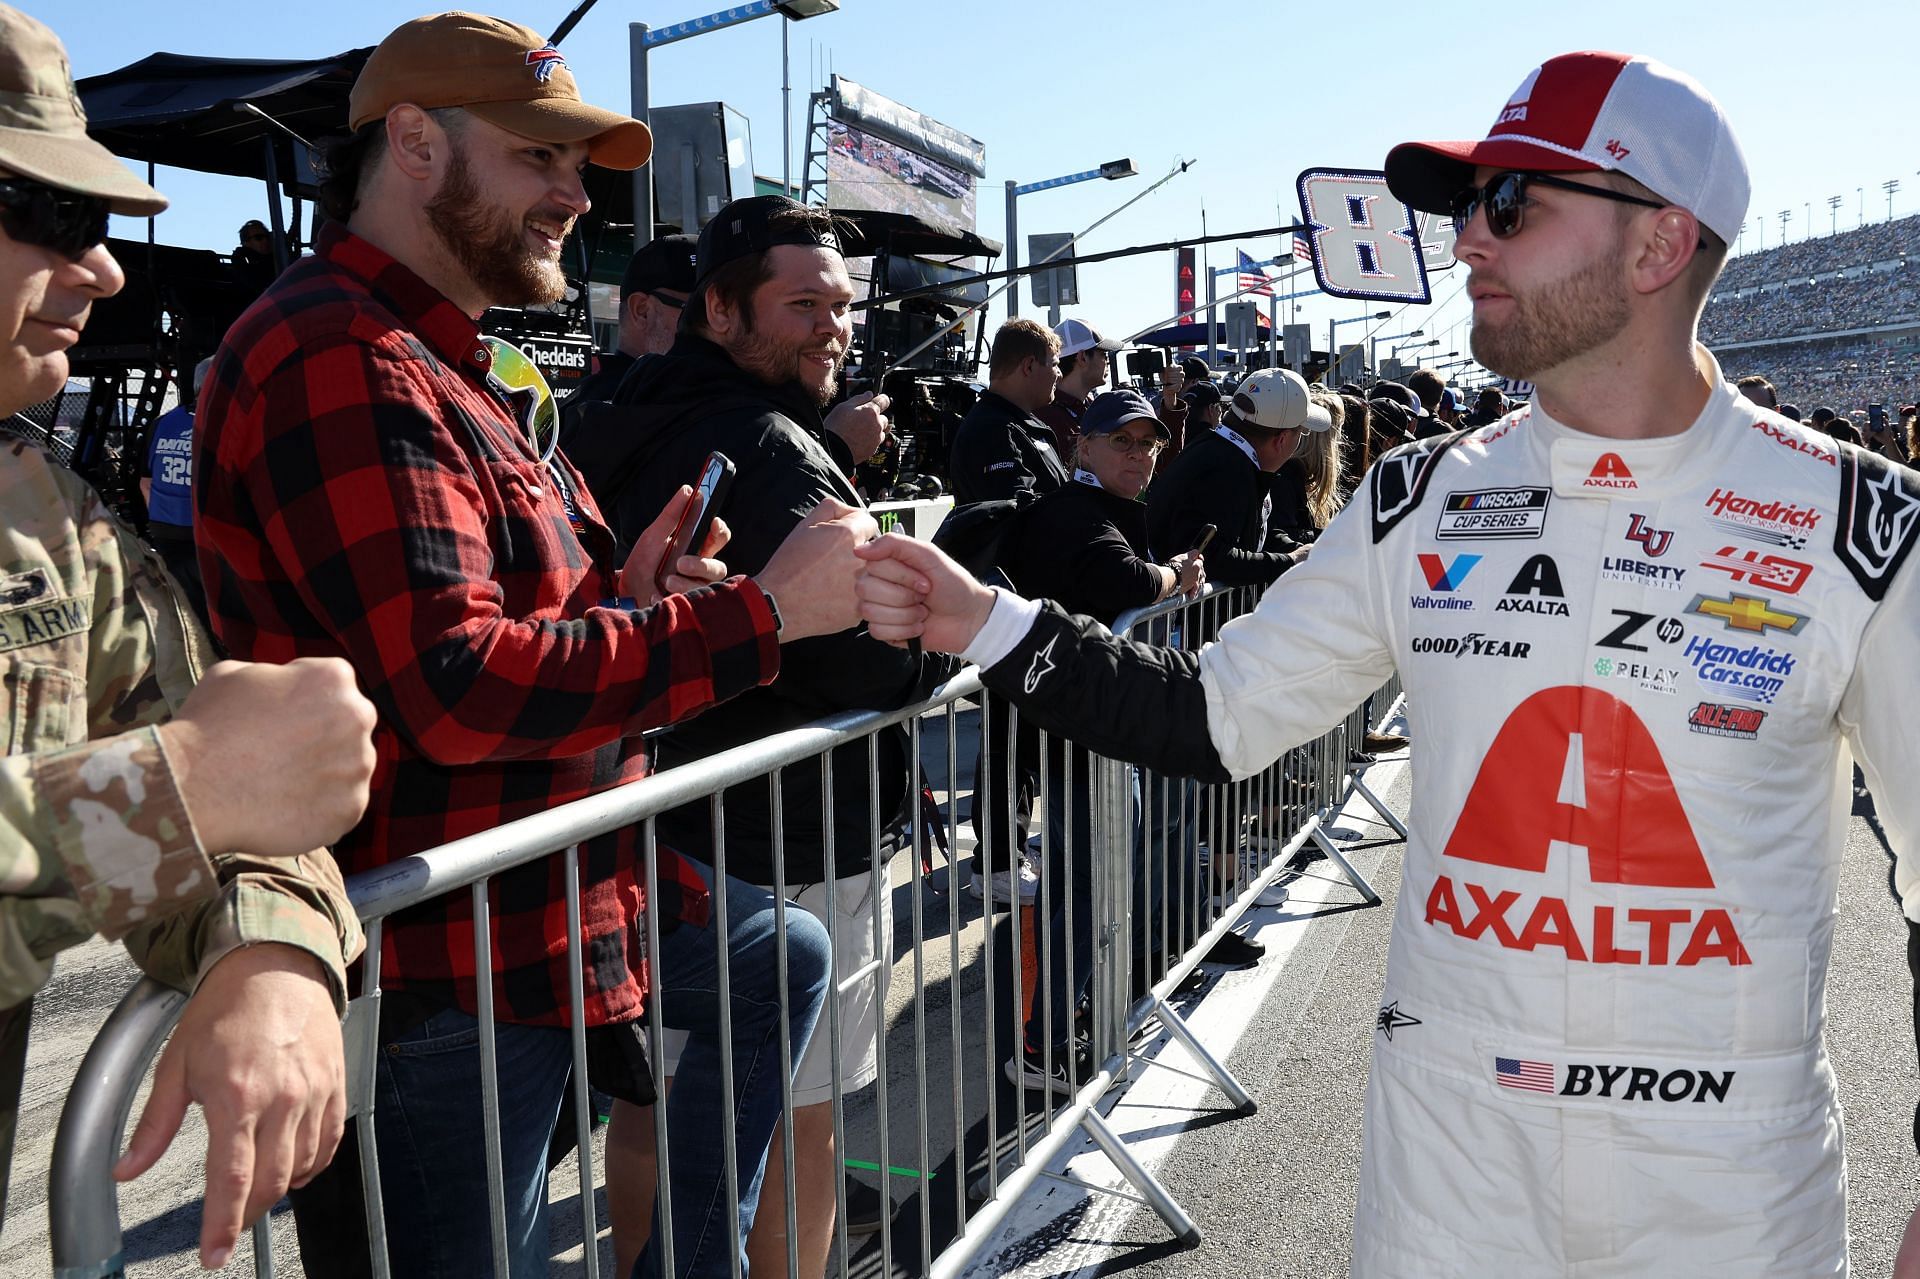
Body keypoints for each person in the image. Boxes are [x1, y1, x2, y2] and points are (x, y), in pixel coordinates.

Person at [854, 49, 1920, 1276]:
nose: (1468, 238)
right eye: (1465, 205)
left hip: (1729, 1196)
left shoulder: (1863, 526)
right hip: (1450, 1177)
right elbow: (1218, 713)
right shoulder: (1420, 498)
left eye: (1510, 204)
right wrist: (984, 621)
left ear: (1659, 244)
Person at [192, 16, 871, 1278]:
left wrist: (627, 591)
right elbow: (457, 688)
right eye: (538, 159)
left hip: (545, 905)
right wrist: (761, 613)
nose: (574, 195)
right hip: (444, 967)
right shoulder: (345, 357)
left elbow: (487, 633)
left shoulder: (437, 359)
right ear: (412, 145)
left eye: (578, 165)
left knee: (783, 951)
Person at [0, 6, 377, 1268]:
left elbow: (221, 743)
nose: (104, 269)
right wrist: (169, 802)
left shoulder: (39, 510)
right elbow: (195, 775)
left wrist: (267, 945)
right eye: (46, 216)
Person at [567, 193, 955, 1277]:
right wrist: (947, 641)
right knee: (804, 1117)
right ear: (722, 311)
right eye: (802, 305)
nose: (832, 326)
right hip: (790, 847)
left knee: (657, 1106)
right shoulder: (770, 445)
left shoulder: (621, 404)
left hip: (663, 835)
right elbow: (873, 648)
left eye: (840, 304)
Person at [999, 388, 1200, 1087]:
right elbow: (1122, 577)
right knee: (1088, 880)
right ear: (1082, 445)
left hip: (1094, 726)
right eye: (1123, 441)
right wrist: (1176, 575)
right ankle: (1045, 1040)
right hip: (1078, 731)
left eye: (1148, 443)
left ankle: (1064, 1018)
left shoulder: (1102, 509)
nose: (1139, 455)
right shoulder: (1074, 511)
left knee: (1095, 876)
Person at [1146, 367, 1325, 589]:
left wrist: (1294, 550)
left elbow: (1248, 532)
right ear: (1282, 439)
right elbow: (1213, 557)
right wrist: (1289, 561)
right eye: (1301, 432)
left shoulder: (1222, 452)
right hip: (1187, 621)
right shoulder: (1227, 469)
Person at [949, 317, 1068, 504]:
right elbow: (1015, 515)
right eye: (1054, 364)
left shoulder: (1021, 425)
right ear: (1029, 366)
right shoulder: (992, 431)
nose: (1059, 375)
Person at [138, 356, 210, 616]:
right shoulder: (217, 423)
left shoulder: (162, 423)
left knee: (183, 607)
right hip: (207, 534)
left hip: (165, 530)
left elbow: (145, 483)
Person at [1033, 316, 1121, 457]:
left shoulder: (1090, 406)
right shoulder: (1048, 416)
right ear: (1082, 357)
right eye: (1103, 354)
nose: (1107, 361)